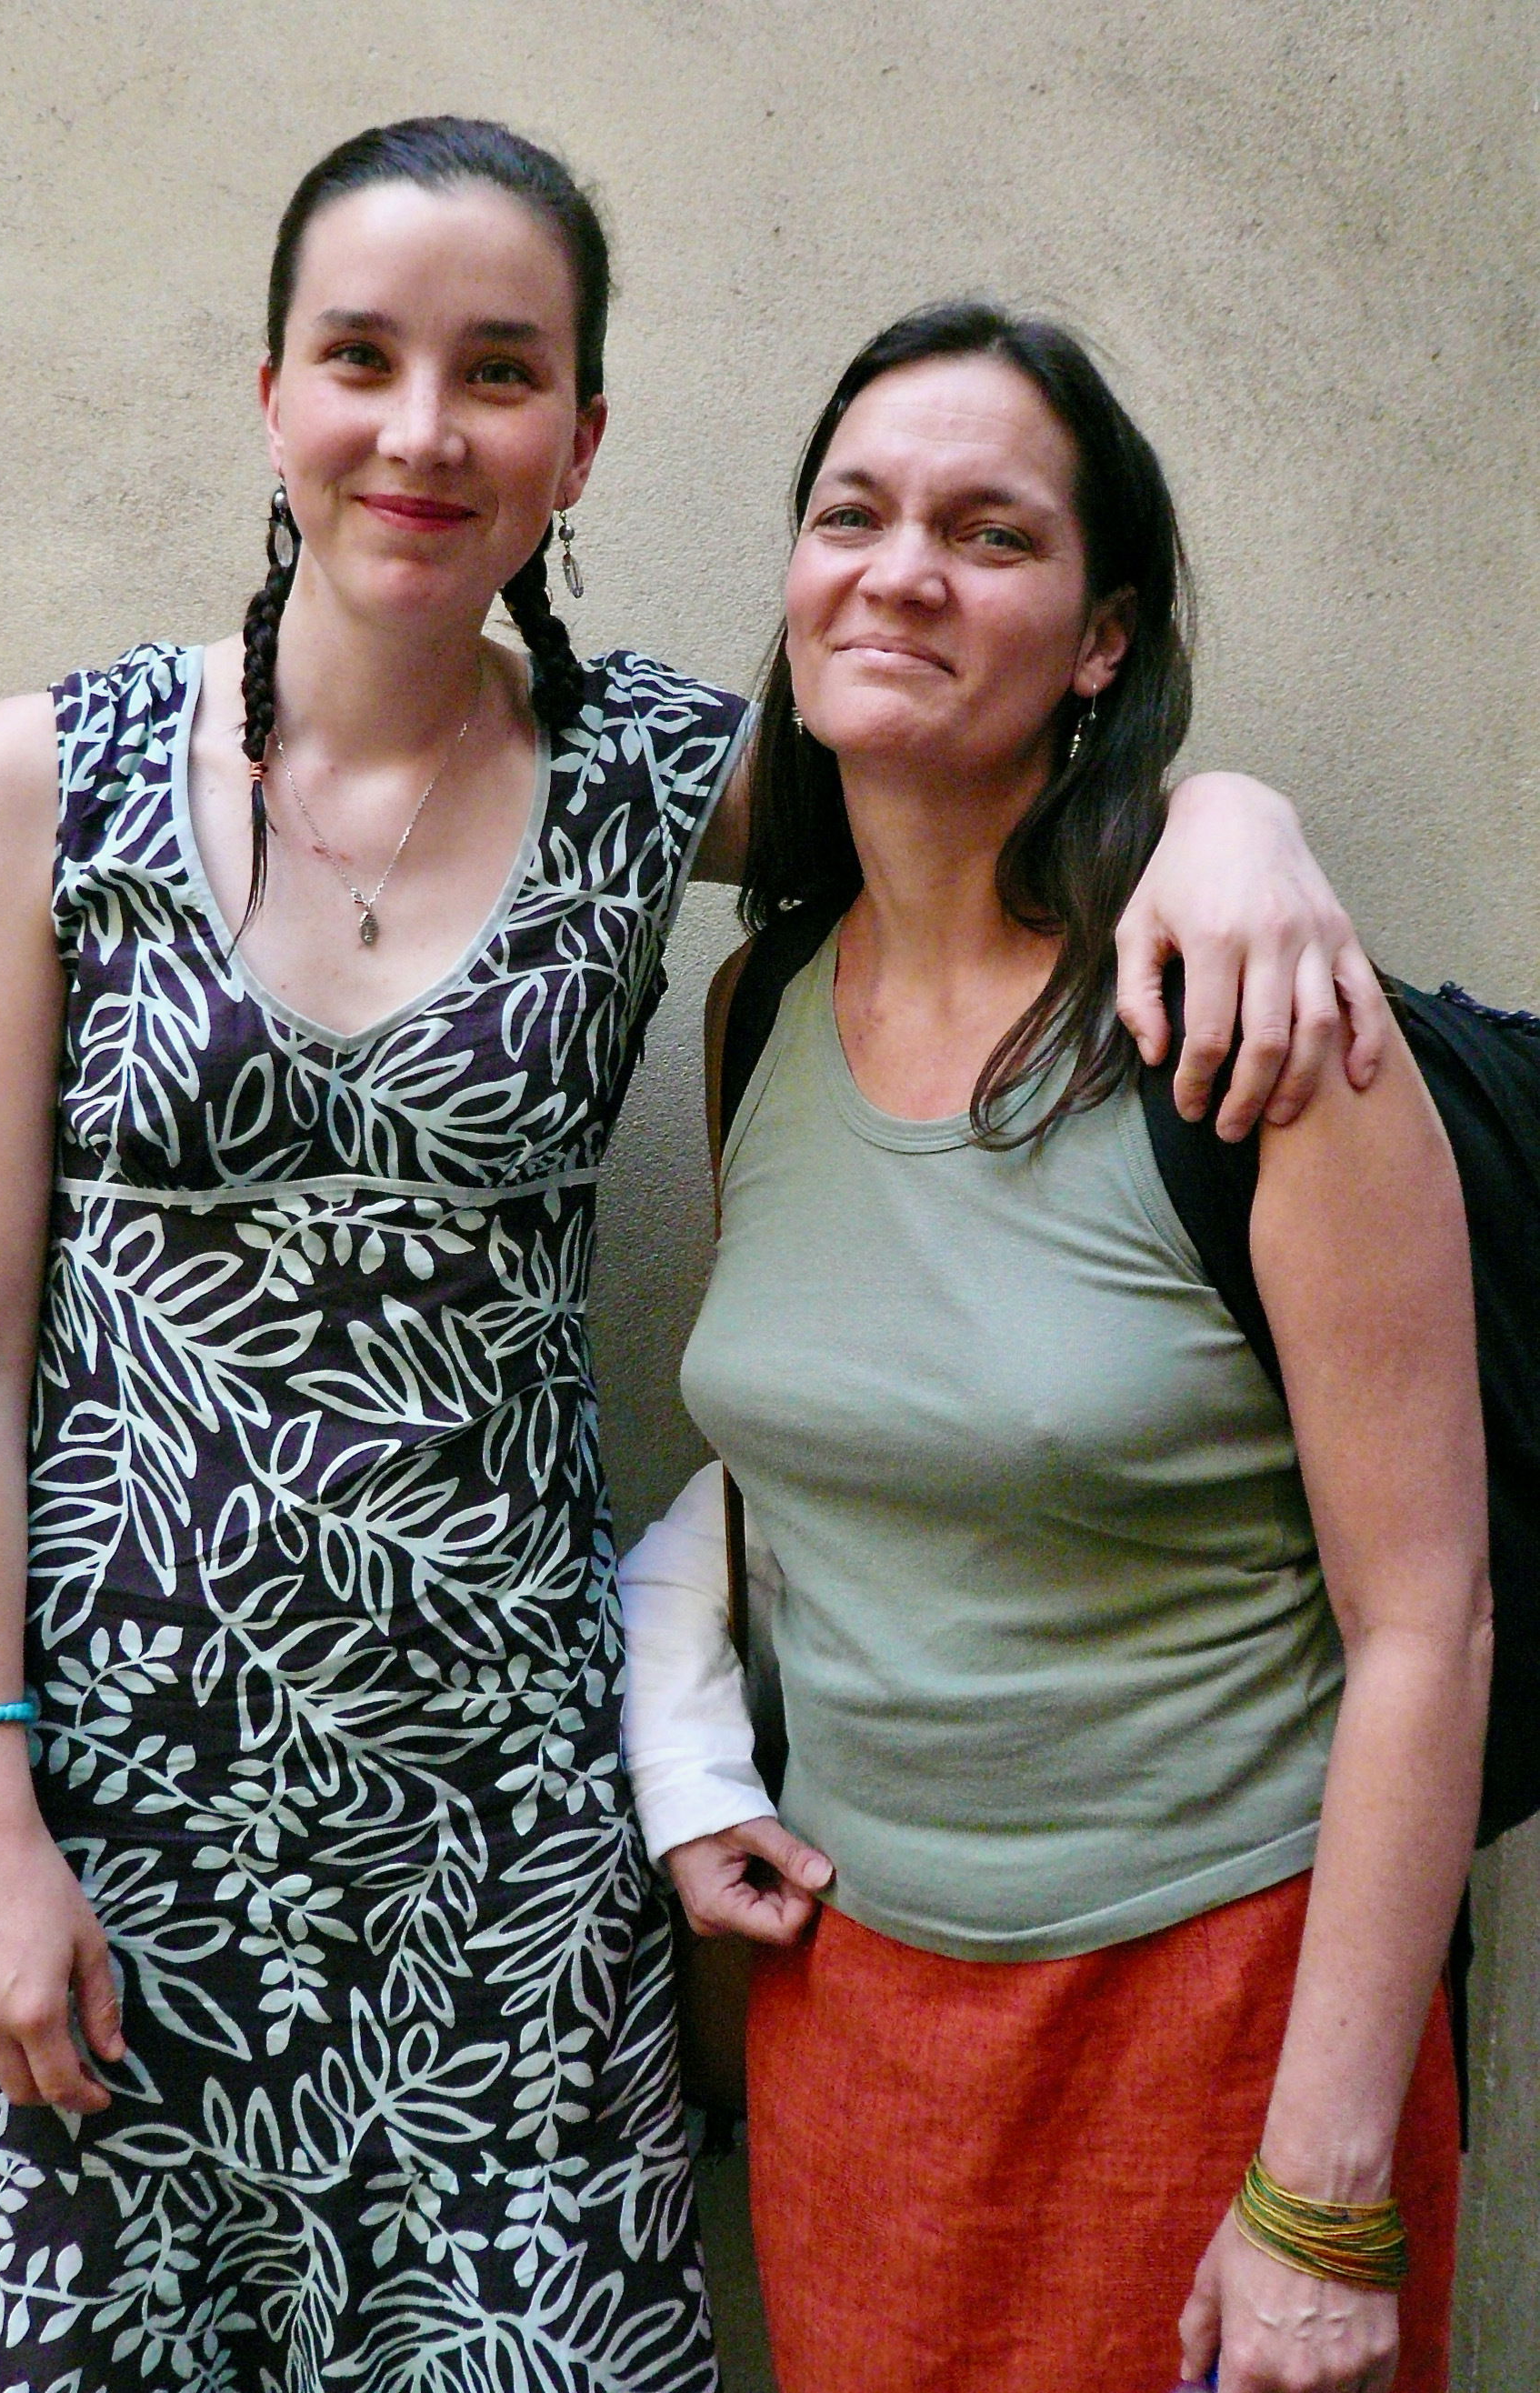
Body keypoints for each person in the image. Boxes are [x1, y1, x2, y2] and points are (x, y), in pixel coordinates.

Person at [0, 110, 1387, 2390]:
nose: (423, 429)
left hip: (506, 1832)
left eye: (500, 371)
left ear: (580, 441)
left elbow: (977, 767)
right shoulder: (45, 778)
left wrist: (1229, 814)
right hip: (116, 1839)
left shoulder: (654, 775)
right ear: (272, 396)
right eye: (360, 357)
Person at [624, 302, 1489, 2393]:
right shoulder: (757, 1012)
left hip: (1222, 2025)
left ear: (1101, 640)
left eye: (987, 532)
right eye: (851, 515)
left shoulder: (1260, 1035)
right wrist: (685, 1753)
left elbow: (1425, 1625)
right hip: (859, 2031)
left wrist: (1319, 2195)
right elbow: (833, 1452)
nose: (898, 571)